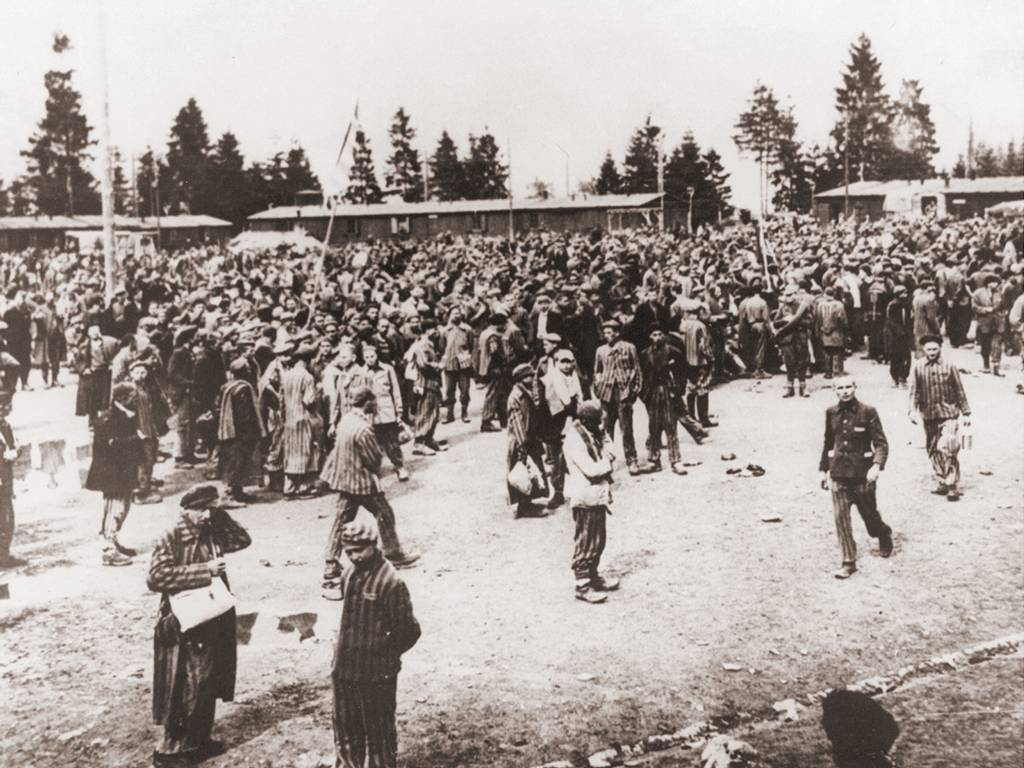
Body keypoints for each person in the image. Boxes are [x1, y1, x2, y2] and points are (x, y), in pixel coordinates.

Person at [147, 484, 252, 768]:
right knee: (184, 685)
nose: (206, 514)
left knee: (207, 679)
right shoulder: (172, 535)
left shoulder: (210, 529)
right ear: (187, 510)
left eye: (210, 508)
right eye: (201, 509)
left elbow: (243, 541)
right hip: (184, 622)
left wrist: (221, 517)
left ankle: (197, 741)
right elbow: (156, 577)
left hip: (211, 615)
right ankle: (170, 750)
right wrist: (205, 571)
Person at [330, 519, 421, 768]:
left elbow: (409, 630)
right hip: (345, 670)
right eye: (349, 551)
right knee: (346, 731)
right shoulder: (348, 573)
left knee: (379, 734)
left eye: (359, 550)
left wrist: (383, 655)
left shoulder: (391, 582)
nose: (354, 556)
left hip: (376, 674)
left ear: (373, 545)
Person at [321, 386, 419, 597]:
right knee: (384, 512)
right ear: (367, 403)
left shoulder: (346, 420)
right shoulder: (364, 429)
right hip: (360, 482)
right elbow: (373, 460)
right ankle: (393, 552)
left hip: (344, 478)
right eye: (373, 401)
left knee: (341, 520)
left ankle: (330, 565)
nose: (376, 405)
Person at [818, 375, 894, 579]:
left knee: (869, 516)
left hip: (862, 475)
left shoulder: (868, 412)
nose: (845, 391)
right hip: (839, 474)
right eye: (840, 387)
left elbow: (881, 443)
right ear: (834, 390)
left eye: (848, 387)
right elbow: (828, 442)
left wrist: (876, 466)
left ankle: (883, 533)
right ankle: (848, 561)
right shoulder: (830, 412)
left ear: (855, 387)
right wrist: (823, 470)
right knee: (840, 518)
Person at [564, 400, 620, 603]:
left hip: (597, 495)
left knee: (599, 540)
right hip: (584, 497)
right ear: (587, 421)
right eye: (598, 422)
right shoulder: (574, 441)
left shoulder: (591, 432)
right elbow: (594, 469)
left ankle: (594, 577)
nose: (601, 425)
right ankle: (582, 585)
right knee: (586, 543)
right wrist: (608, 460)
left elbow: (610, 447)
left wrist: (604, 437)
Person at [85, 382, 144, 566]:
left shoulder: (123, 415)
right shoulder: (109, 419)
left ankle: (114, 541)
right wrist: (137, 439)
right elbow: (112, 445)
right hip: (112, 473)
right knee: (114, 508)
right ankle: (108, 550)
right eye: (132, 397)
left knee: (124, 506)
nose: (135, 400)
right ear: (121, 398)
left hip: (122, 470)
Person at [908, 335, 972, 502]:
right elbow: (914, 391)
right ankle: (942, 481)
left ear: (940, 349)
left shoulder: (950, 366)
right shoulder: (918, 367)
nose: (932, 352)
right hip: (929, 415)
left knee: (949, 446)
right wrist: (912, 410)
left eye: (935, 349)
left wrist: (966, 412)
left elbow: (959, 389)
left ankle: (952, 485)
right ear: (923, 350)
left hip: (949, 413)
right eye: (928, 349)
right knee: (933, 448)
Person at [593, 318, 649, 476]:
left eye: (609, 333)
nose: (606, 336)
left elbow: (636, 369)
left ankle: (632, 460)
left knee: (627, 428)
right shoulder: (600, 351)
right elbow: (596, 371)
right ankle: (606, 462)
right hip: (606, 394)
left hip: (623, 392)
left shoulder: (629, 348)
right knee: (606, 429)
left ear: (617, 333)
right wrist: (598, 387)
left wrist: (635, 389)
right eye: (604, 333)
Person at [217, 358, 265, 504]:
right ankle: (231, 496)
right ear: (243, 371)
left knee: (234, 461)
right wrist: (252, 431)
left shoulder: (226, 386)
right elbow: (244, 414)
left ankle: (238, 492)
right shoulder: (243, 389)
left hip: (228, 430)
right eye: (247, 369)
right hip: (241, 433)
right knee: (238, 462)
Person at [641, 325, 686, 474]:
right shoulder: (645, 354)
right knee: (653, 426)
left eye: (660, 334)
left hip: (669, 391)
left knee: (670, 425)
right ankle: (654, 460)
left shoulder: (674, 352)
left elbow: (682, 373)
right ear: (649, 337)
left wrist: (678, 390)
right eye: (654, 334)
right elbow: (643, 375)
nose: (658, 337)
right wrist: (644, 394)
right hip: (653, 392)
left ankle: (676, 460)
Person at [506, 362, 549, 518]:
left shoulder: (526, 391)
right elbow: (516, 422)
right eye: (528, 376)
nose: (532, 378)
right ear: (520, 379)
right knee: (523, 472)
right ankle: (524, 506)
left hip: (530, 438)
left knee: (533, 471)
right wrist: (522, 444)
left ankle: (529, 502)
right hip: (521, 440)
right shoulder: (516, 396)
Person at [361, 343, 408, 481]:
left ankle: (399, 466)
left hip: (387, 410)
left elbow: (396, 391)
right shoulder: (362, 372)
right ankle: (374, 470)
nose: (370, 359)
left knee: (392, 441)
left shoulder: (387, 369)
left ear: (377, 356)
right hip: (371, 413)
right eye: (367, 357)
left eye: (372, 356)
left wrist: (399, 411)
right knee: (373, 443)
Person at [281, 344, 322, 498]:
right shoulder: (307, 377)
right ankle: (304, 488)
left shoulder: (287, 375)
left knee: (291, 453)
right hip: (303, 417)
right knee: (307, 451)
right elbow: (309, 400)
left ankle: (289, 488)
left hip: (289, 419)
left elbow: (281, 399)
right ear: (308, 360)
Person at [773, 284, 813, 398]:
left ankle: (803, 387)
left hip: (800, 337)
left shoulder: (803, 306)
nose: (788, 297)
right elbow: (775, 323)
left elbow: (810, 323)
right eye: (786, 295)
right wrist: (785, 320)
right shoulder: (782, 307)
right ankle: (789, 388)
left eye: (790, 295)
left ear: (795, 295)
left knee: (802, 363)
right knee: (789, 363)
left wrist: (797, 321)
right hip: (787, 339)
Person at [440, 306, 474, 424]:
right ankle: (450, 414)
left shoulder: (467, 329)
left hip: (464, 365)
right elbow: (441, 347)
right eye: (453, 313)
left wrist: (469, 359)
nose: (456, 315)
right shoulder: (445, 331)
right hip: (449, 364)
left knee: (464, 390)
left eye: (458, 313)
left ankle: (464, 413)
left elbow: (471, 346)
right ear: (449, 315)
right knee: (449, 390)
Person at [972, 273, 1006, 375]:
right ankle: (986, 364)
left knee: (997, 343)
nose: (994, 284)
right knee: (985, 344)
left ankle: (996, 364)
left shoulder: (999, 293)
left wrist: (1003, 313)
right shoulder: (978, 293)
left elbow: (1004, 305)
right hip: (984, 322)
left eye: (996, 282)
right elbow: (974, 307)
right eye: (992, 282)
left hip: (997, 322)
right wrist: (984, 310)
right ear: (987, 283)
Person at [736, 285, 772, 378]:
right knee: (761, 348)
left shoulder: (748, 302)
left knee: (755, 347)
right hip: (760, 325)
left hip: (752, 325)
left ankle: (756, 368)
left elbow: (747, 317)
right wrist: (770, 331)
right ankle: (760, 370)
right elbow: (766, 318)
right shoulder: (762, 302)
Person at [883, 285, 913, 388]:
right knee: (896, 357)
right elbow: (891, 321)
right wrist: (900, 332)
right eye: (903, 293)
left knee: (906, 357)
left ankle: (903, 377)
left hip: (904, 335)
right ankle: (896, 378)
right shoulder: (893, 305)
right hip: (895, 337)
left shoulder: (906, 305)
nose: (905, 295)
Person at [815, 286, 848, 379]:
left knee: (827, 352)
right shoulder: (839, 305)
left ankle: (828, 372)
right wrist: (845, 329)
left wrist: (819, 330)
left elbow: (817, 319)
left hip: (824, 332)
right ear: (833, 294)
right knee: (838, 351)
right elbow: (843, 319)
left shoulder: (820, 305)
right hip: (837, 331)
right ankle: (839, 371)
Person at [0, 392, 17, 567]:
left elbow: (13, 445)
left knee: (7, 518)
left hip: (5, 478)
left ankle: (4, 554)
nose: (5, 409)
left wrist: (14, 452)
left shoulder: (5, 425)